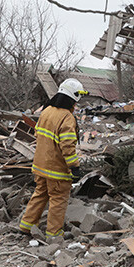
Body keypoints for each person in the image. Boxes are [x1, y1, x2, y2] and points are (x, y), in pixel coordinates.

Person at [19, 78, 88, 239]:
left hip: (40, 166)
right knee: (58, 200)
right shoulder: (66, 117)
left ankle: (26, 226)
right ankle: (54, 234)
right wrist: (75, 167)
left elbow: (37, 135)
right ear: (74, 97)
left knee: (39, 195)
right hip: (56, 170)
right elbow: (68, 146)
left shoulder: (46, 111)